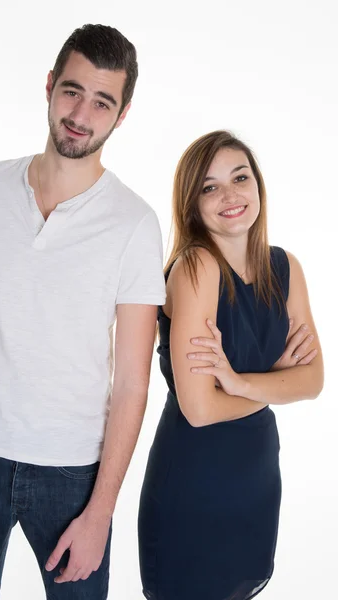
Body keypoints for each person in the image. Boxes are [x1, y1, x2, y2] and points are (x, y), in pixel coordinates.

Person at [0, 24, 166, 600]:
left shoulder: (133, 224)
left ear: (123, 113)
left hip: (72, 474)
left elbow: (133, 381)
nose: (81, 114)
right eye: (72, 90)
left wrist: (100, 513)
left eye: (102, 102)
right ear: (48, 85)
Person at [138, 130, 324, 600]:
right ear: (192, 203)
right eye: (210, 186)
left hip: (256, 477)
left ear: (258, 184)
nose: (230, 195)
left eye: (240, 177)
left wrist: (237, 383)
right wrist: (274, 384)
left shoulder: (286, 267)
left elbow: (314, 381)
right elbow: (199, 411)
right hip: (194, 482)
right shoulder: (196, 266)